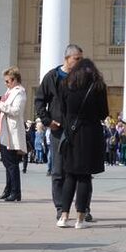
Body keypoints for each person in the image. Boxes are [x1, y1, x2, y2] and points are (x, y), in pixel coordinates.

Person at [56, 57, 109, 228]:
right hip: (90, 134)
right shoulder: (98, 86)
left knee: (70, 175)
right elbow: (103, 113)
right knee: (84, 176)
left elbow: (63, 110)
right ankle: (80, 218)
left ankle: (63, 217)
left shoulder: (66, 84)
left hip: (71, 133)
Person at [35, 42, 84, 223]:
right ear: (67, 58)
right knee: (58, 171)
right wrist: (48, 121)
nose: (79, 62)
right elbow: (39, 101)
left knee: (80, 170)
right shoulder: (52, 77)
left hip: (78, 130)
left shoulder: (82, 78)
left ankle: (82, 208)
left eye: (81, 59)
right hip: (58, 130)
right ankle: (60, 208)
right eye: (76, 59)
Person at [0, 66, 28, 202]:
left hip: (11, 131)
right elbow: (2, 110)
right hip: (3, 129)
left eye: (8, 81)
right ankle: (8, 189)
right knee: (6, 162)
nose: (6, 84)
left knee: (11, 163)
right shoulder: (9, 92)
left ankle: (16, 191)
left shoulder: (20, 92)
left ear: (15, 80)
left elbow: (16, 111)